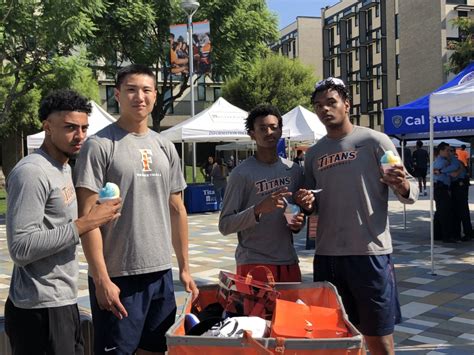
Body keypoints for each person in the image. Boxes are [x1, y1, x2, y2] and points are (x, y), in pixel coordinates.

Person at [74, 64, 198, 355]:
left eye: (146, 90)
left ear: (155, 96)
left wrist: (185, 267)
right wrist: (101, 279)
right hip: (119, 276)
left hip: (160, 274)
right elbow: (87, 218)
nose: (139, 97)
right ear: (117, 95)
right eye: (131, 90)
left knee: (155, 350)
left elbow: (177, 209)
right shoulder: (99, 145)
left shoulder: (165, 146)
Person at [294, 77, 418, 355]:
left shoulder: (375, 141)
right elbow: (313, 205)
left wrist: (403, 184)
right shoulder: (314, 154)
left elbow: (409, 190)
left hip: (369, 254)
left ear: (346, 105)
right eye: (318, 105)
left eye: (331, 102)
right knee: (337, 337)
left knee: (379, 340)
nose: (324, 109)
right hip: (327, 258)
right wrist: (307, 204)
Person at [5, 89, 121, 355]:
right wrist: (86, 223)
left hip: (63, 300)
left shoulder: (64, 167)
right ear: (47, 127)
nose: (79, 136)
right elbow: (21, 248)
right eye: (70, 128)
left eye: (83, 128)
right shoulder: (32, 172)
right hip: (38, 309)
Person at [219, 104, 305, 282]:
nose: (269, 132)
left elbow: (296, 215)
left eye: (274, 127)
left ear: (281, 131)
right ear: (252, 133)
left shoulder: (293, 170)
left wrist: (298, 223)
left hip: (289, 261)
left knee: (292, 310)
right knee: (256, 312)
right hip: (254, 263)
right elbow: (225, 225)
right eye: (262, 128)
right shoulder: (240, 174)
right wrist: (258, 209)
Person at [433, 142, 461, 243]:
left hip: (441, 187)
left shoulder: (443, 161)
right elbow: (454, 167)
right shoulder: (442, 162)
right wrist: (443, 171)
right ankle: (447, 236)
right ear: (441, 151)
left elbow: (455, 167)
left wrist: (442, 171)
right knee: (445, 212)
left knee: (440, 212)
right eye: (447, 150)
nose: (449, 152)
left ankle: (438, 234)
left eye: (450, 150)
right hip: (441, 188)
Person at [447, 147, 472, 242]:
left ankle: (466, 233)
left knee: (462, 211)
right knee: (460, 211)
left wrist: (441, 172)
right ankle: (461, 233)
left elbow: (454, 174)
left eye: (450, 151)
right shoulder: (456, 161)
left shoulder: (454, 161)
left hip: (459, 186)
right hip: (459, 186)